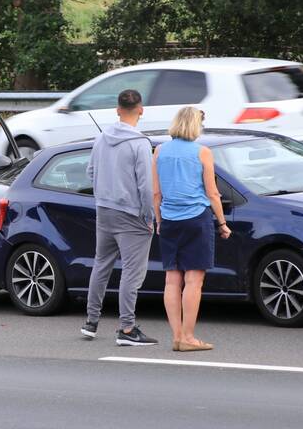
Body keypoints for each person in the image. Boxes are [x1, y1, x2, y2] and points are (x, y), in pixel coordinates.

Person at [80, 89, 158, 346]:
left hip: (104, 210)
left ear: (117, 109)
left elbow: (90, 172)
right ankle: (126, 329)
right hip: (131, 214)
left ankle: (91, 322)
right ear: (141, 109)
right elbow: (146, 186)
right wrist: (150, 216)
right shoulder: (140, 143)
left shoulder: (101, 137)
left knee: (101, 264)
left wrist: (104, 195)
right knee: (132, 272)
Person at [152, 106, 231, 353]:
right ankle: (188, 336)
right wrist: (222, 222)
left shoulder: (160, 151)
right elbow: (213, 193)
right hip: (196, 218)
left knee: (172, 279)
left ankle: (176, 336)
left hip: (169, 219)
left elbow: (156, 192)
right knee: (194, 279)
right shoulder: (202, 152)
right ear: (195, 126)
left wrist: (158, 220)